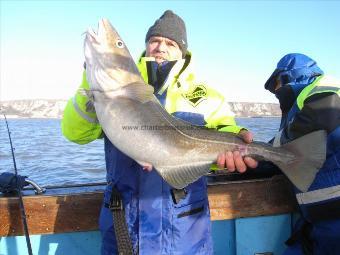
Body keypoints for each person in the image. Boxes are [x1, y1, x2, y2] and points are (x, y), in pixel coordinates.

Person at [62, 10, 257, 255]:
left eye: (170, 43)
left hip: (185, 231)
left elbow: (223, 129)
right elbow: (74, 133)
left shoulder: (207, 96)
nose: (160, 47)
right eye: (154, 41)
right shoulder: (116, 84)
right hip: (124, 225)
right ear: (145, 46)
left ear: (182, 51)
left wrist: (234, 143)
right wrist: (90, 79)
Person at [264, 53, 340, 255]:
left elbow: (317, 126)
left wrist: (257, 154)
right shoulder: (299, 106)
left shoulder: (325, 89)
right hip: (318, 223)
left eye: (276, 84)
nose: (275, 91)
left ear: (287, 76)